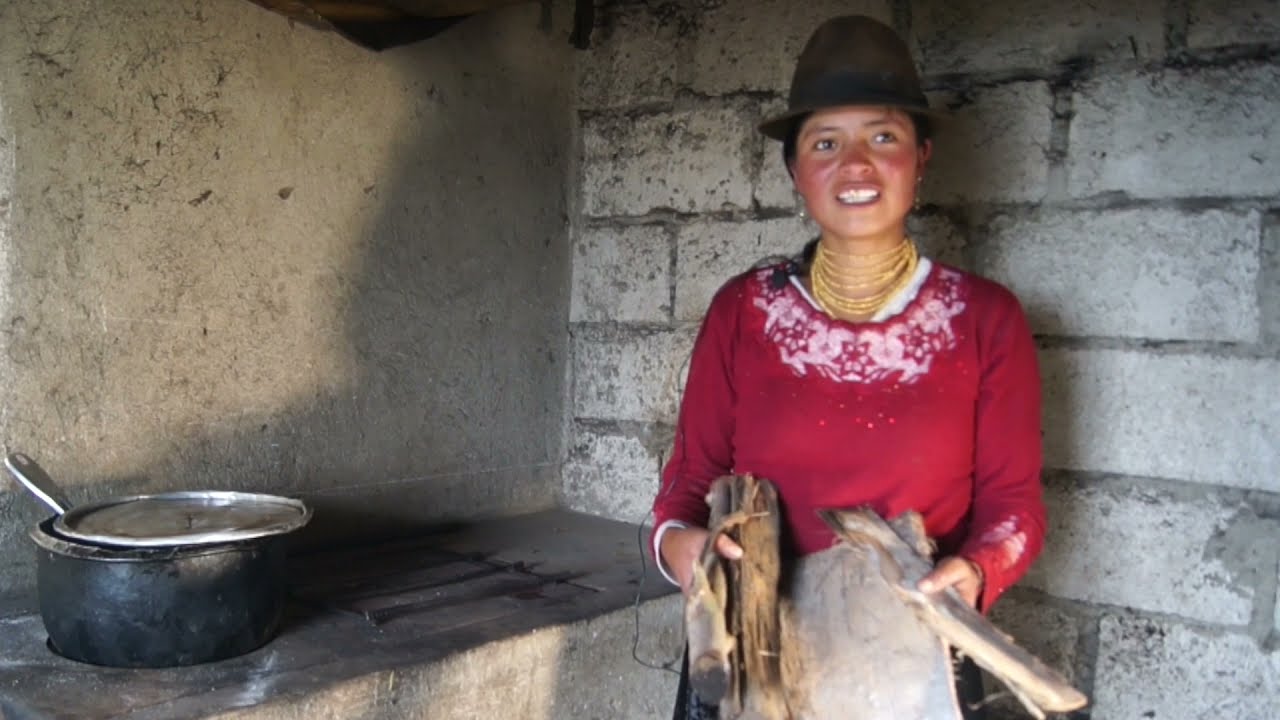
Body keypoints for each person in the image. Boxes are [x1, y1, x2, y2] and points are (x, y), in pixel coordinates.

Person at [649, 15, 1047, 719]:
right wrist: (682, 549)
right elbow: (687, 487)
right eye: (826, 143)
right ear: (797, 171)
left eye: (882, 138)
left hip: (914, 649)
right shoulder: (745, 312)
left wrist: (977, 571)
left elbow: (1014, 509)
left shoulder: (983, 318)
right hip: (753, 649)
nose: (855, 165)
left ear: (921, 159)